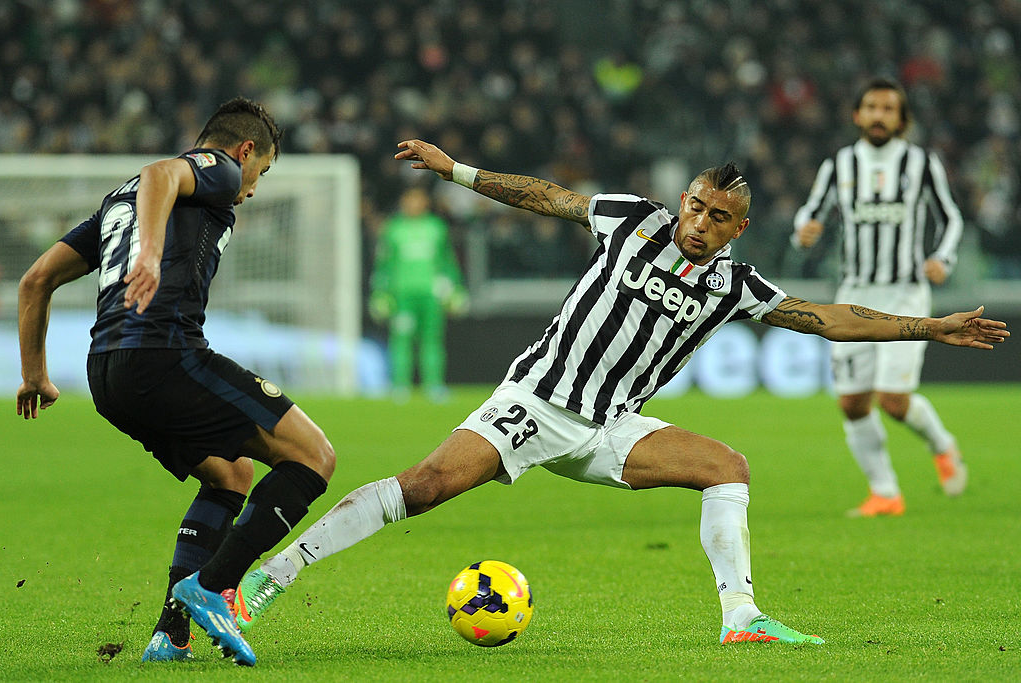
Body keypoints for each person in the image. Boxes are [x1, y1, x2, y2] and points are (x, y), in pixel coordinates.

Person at [230, 139, 1007, 647]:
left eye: (717, 217)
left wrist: (929, 328)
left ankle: (742, 616)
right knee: (424, 485)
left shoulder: (735, 285)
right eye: (696, 205)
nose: (698, 222)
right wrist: (458, 172)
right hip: (535, 401)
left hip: (608, 426)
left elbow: (833, 318)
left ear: (737, 229)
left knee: (727, 465)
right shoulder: (632, 219)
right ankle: (270, 574)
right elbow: (546, 196)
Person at [15, 97, 336, 667]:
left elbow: (35, 280)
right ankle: (213, 586)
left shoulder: (118, 203)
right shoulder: (218, 168)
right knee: (314, 457)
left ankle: (172, 632)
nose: (253, 187)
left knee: (231, 473)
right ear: (244, 152)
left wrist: (35, 374)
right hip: (165, 356)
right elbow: (163, 171)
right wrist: (152, 255)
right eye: (262, 170)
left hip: (107, 375)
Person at [792, 77, 967, 517]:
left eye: (888, 108)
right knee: (852, 403)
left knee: (892, 399)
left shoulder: (921, 163)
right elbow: (809, 213)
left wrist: (942, 258)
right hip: (854, 293)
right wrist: (803, 233)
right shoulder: (839, 164)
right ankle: (886, 493)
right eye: (871, 106)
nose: (878, 115)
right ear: (857, 114)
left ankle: (943, 445)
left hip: (906, 294)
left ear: (901, 119)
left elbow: (951, 217)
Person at [369, 185, 466, 401]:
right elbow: (383, 264)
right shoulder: (393, 229)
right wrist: (380, 293)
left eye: (418, 199)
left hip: (432, 295)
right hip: (402, 294)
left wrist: (456, 289)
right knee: (401, 340)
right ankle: (400, 386)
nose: (414, 203)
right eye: (410, 199)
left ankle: (434, 386)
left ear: (425, 202)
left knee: (432, 340)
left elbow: (447, 262)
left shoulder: (437, 228)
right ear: (403, 202)